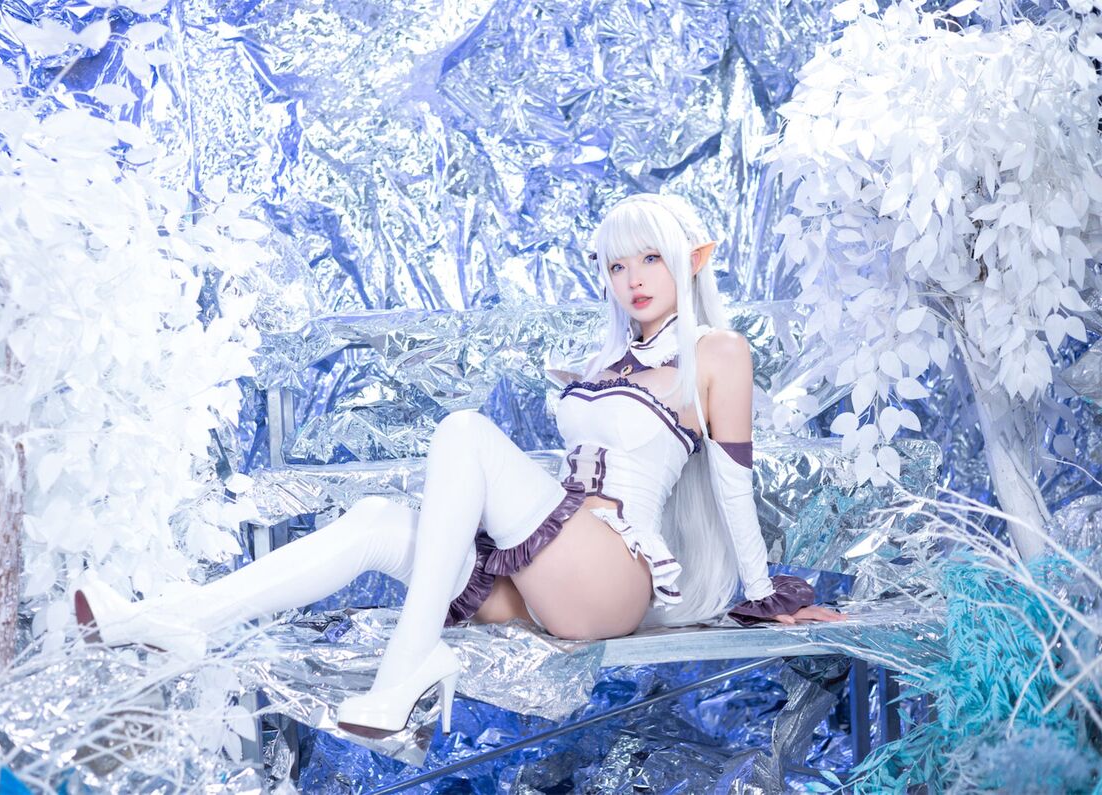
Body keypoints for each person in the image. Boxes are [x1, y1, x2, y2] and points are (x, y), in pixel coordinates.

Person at [73, 192, 846, 738]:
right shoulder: (605, 360)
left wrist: (765, 594)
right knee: (376, 522)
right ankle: (171, 620)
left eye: (650, 258)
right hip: (546, 572)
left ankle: (404, 671)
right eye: (617, 266)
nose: (634, 278)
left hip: (614, 572)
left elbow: (734, 487)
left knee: (467, 430)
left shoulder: (718, 352)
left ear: (690, 259)